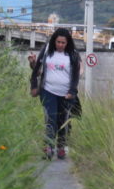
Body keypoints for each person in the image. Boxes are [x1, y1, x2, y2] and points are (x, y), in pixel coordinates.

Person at [30, 27, 81, 160]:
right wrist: (34, 86)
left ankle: (61, 146)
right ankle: (48, 147)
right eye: (58, 42)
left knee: (63, 122)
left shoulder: (73, 54)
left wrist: (72, 91)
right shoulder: (47, 51)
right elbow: (36, 70)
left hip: (65, 94)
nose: (60, 45)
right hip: (48, 91)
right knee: (50, 119)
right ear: (54, 41)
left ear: (68, 43)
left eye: (63, 43)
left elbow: (76, 76)